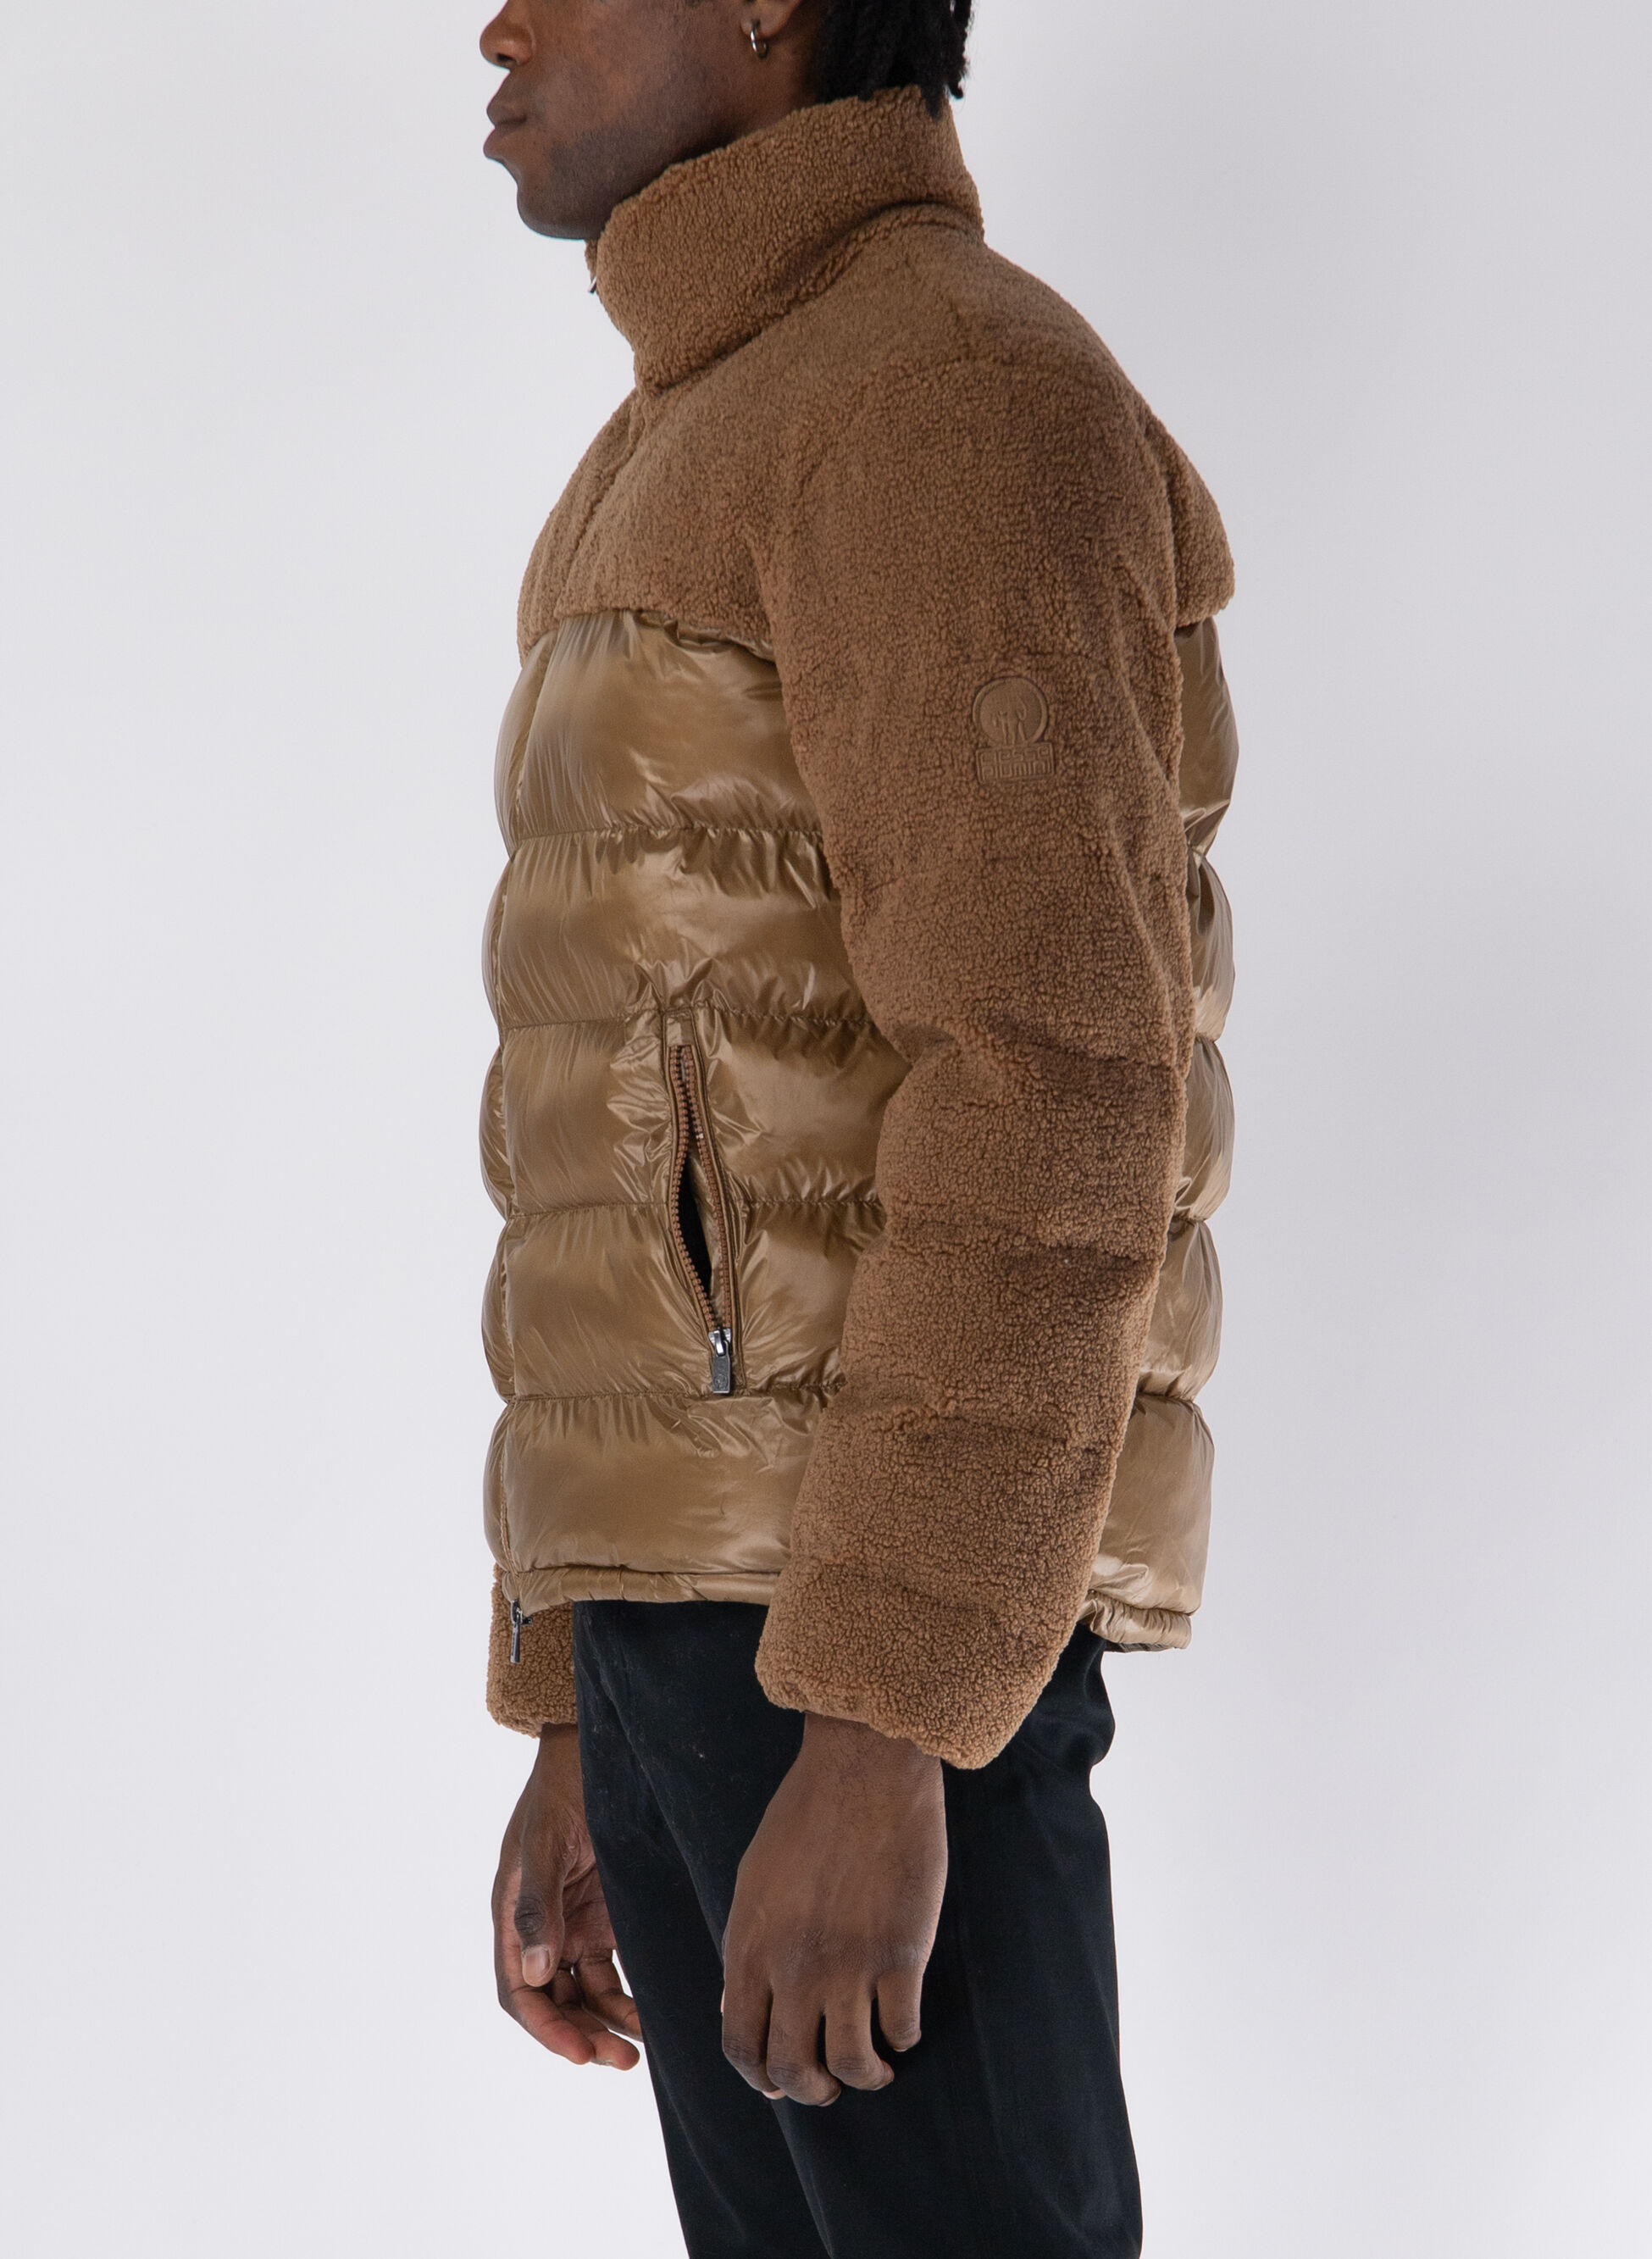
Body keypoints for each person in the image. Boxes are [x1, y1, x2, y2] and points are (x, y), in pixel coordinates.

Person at [475, 3, 1239, 2252]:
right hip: (714, 1635)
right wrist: (582, 1696)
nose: (497, 24)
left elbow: (1051, 1073)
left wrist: (888, 1717)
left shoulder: (946, 393)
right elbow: (631, 1114)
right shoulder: (694, 427)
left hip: (869, 1632)